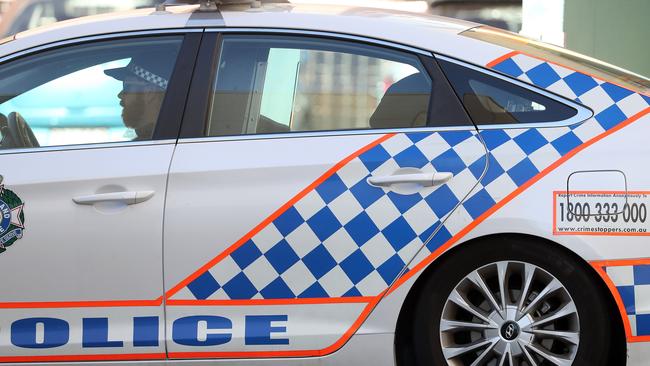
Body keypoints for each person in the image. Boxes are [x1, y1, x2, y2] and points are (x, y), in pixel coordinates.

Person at [104, 54, 172, 140]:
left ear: (150, 92)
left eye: (127, 86)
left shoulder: (156, 146)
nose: (120, 95)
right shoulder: (165, 138)